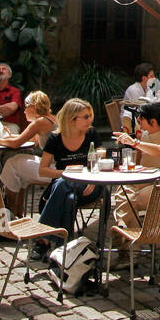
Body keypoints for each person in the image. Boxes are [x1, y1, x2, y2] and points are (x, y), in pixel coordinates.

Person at [30, 99, 101, 259]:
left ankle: (43, 238)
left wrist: (93, 179)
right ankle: (64, 249)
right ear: (71, 119)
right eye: (85, 117)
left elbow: (101, 163)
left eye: (90, 116)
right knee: (67, 195)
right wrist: (65, 172)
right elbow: (43, 170)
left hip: (90, 184)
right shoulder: (55, 138)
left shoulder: (91, 134)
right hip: (66, 186)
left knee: (61, 186)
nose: (90, 120)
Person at [112, 101, 160, 227]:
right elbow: (138, 162)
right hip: (148, 179)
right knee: (123, 190)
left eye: (141, 117)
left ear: (153, 121)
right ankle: (124, 228)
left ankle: (127, 234)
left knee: (131, 201)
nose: (138, 119)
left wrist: (135, 143)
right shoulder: (144, 136)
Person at [0, 91, 58, 214]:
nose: (24, 111)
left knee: (11, 164)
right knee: (17, 164)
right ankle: (17, 212)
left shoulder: (39, 122)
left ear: (33, 107)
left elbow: (16, 143)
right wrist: (8, 136)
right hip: (54, 166)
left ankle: (12, 211)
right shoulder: (51, 119)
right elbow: (26, 139)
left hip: (52, 169)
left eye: (25, 107)